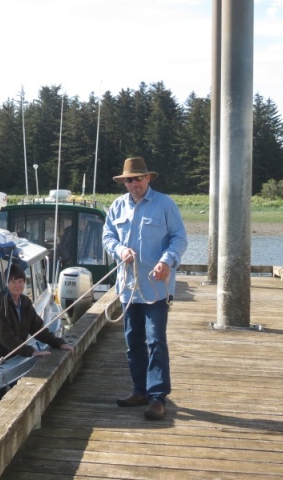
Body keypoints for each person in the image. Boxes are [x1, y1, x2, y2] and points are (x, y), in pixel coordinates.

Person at [102, 157, 187, 420]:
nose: (134, 183)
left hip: (155, 290)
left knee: (156, 342)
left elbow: (179, 238)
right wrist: (119, 250)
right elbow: (107, 236)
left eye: (138, 178)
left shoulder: (165, 204)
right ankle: (140, 390)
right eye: (129, 179)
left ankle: (157, 397)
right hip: (128, 290)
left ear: (148, 178)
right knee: (132, 343)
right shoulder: (117, 206)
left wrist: (167, 261)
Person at [0, 263, 74, 361]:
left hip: (15, 356)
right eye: (13, 282)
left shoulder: (25, 302)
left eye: (20, 281)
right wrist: (31, 352)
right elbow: (6, 337)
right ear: (6, 284)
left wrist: (60, 343)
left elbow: (38, 329)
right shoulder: (0, 303)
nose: (18, 285)